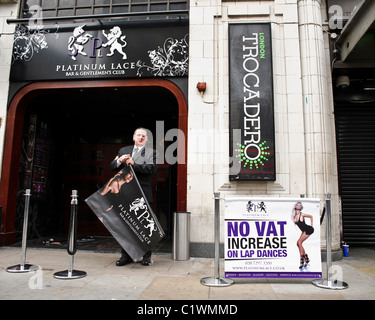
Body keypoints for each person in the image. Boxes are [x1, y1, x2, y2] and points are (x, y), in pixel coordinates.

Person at [110, 128, 158, 266]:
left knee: (144, 227)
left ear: (147, 139)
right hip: (125, 193)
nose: (141, 137)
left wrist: (133, 164)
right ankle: (126, 256)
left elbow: (151, 169)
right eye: (138, 135)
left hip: (142, 194)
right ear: (133, 137)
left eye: (144, 136)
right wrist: (119, 161)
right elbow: (112, 166)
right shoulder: (123, 150)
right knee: (126, 227)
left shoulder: (152, 153)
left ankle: (146, 256)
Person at [293, 202, 314, 269]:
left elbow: (311, 216)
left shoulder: (302, 214)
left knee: (299, 242)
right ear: (295, 206)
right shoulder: (294, 216)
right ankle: (306, 259)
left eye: (300, 205)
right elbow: (299, 226)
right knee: (299, 243)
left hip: (308, 229)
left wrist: (312, 225)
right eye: (297, 205)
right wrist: (302, 232)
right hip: (304, 231)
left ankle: (301, 261)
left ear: (301, 207)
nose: (298, 206)